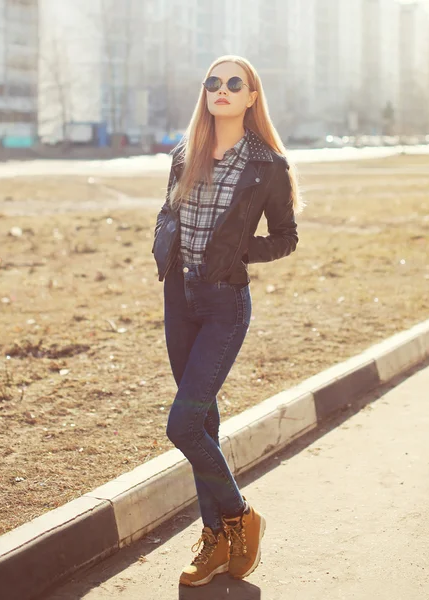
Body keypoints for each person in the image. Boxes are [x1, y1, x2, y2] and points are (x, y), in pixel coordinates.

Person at [152, 55, 304, 587]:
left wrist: (240, 252)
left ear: (250, 96)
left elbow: (286, 238)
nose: (221, 89)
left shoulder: (268, 165)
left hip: (224, 306)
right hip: (180, 301)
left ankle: (239, 517)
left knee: (183, 424)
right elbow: (168, 211)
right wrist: (163, 247)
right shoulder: (184, 152)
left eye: (232, 83)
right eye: (212, 82)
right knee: (204, 425)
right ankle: (216, 540)